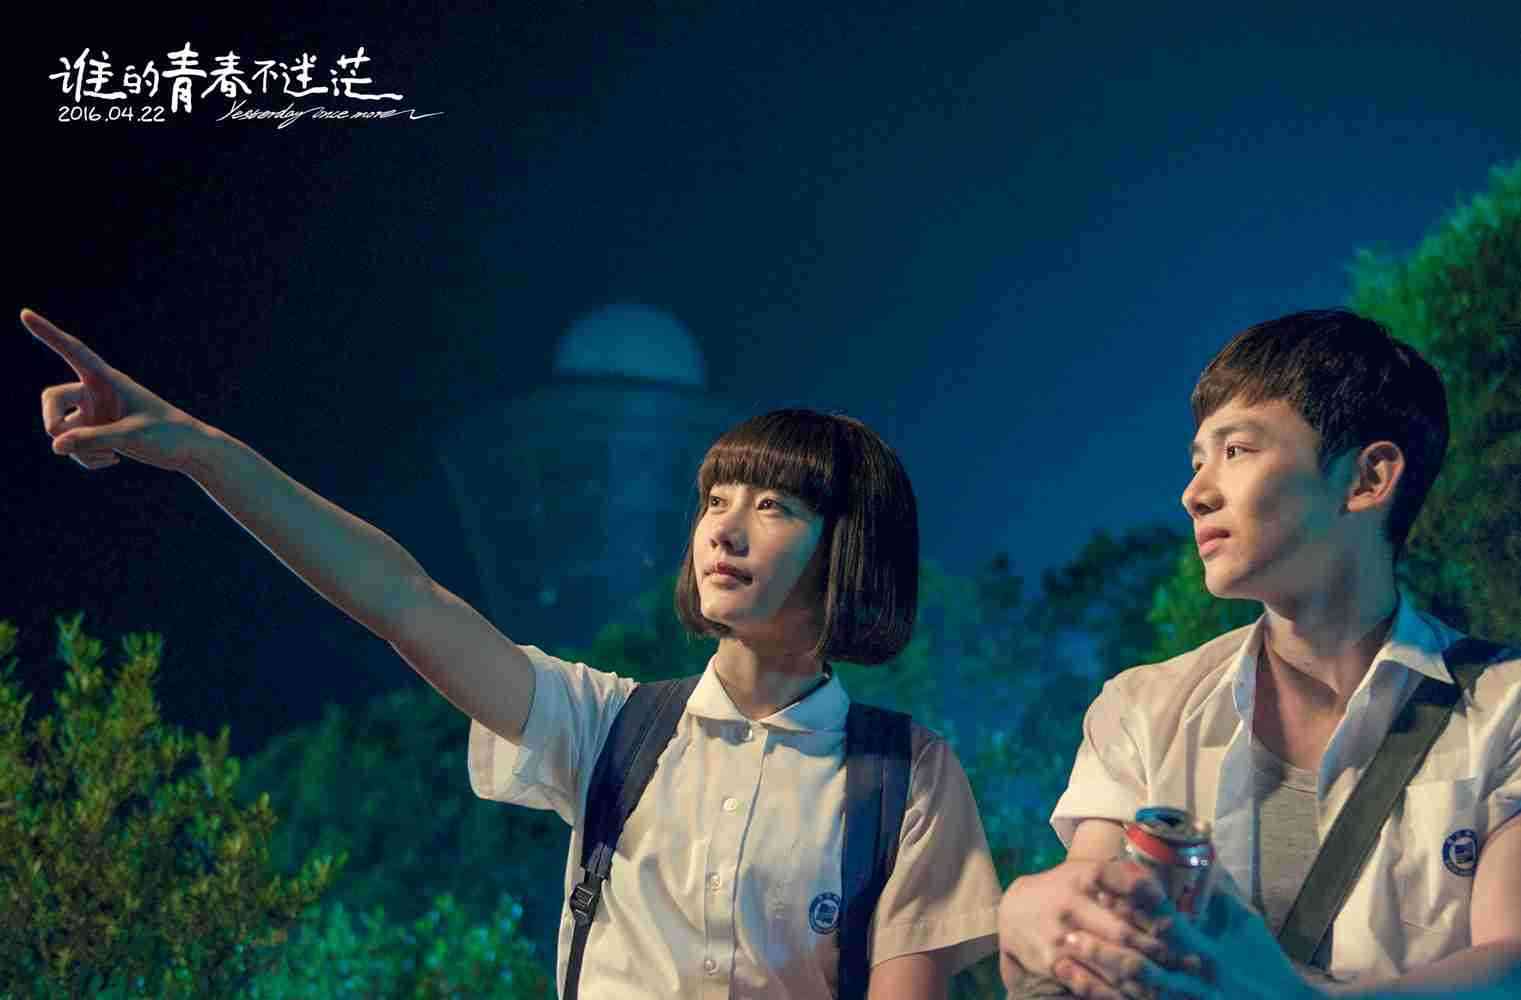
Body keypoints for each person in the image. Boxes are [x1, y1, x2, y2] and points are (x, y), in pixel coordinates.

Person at [22, 307, 1002, 998]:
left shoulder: (906, 779)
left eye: (774, 505)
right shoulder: (610, 725)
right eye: (715, 499)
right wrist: (199, 448)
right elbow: (399, 596)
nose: (725, 528)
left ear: (846, 548)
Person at [995, 309, 1521, 999]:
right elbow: (1088, 919)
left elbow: (1511, 964)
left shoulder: (1503, 707)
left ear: (1367, 479)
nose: (1194, 493)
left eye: (1236, 450)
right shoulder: (1143, 708)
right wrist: (1029, 915)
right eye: (1196, 461)